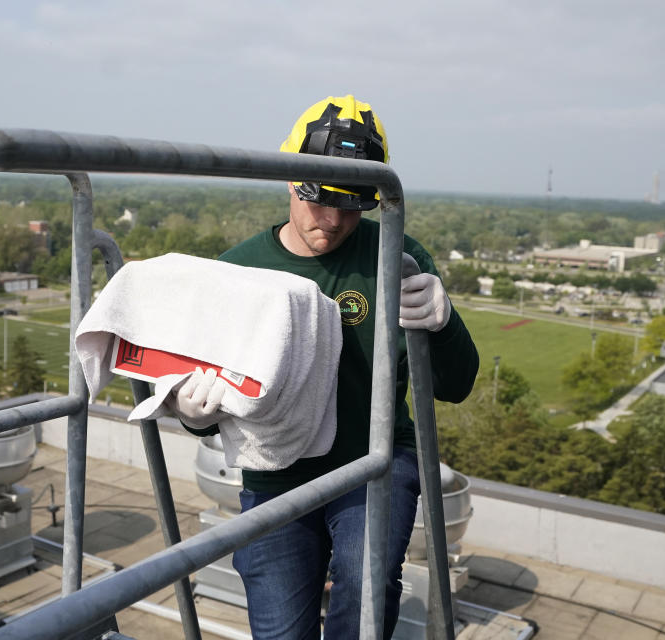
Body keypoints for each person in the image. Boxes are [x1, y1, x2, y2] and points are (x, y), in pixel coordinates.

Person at [168, 95, 480, 640]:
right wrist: (190, 413)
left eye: (353, 205)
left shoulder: (395, 257)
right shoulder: (239, 270)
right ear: (291, 180)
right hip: (275, 474)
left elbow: (456, 385)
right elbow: (193, 391)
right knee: (280, 628)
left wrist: (444, 323)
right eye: (320, 199)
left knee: (366, 587)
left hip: (374, 458)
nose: (334, 221)